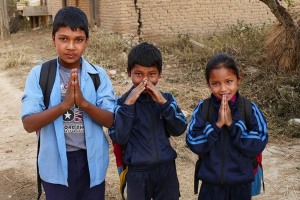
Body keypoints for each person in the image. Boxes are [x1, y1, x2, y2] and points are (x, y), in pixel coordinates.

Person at [21, 6, 115, 200]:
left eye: (78, 40)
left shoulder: (98, 76)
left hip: (92, 163)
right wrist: (63, 106)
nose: (71, 47)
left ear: (87, 42)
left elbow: (111, 120)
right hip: (54, 164)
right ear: (53, 39)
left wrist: (84, 103)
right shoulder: (40, 75)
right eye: (64, 39)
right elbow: (29, 123)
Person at [109, 42, 188, 200]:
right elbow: (118, 137)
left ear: (160, 74)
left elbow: (179, 128)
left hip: (166, 170)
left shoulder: (166, 99)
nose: (145, 81)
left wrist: (163, 103)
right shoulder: (121, 103)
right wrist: (128, 106)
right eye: (139, 74)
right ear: (129, 72)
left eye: (151, 74)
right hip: (137, 172)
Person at [186, 53, 268, 200]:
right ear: (209, 84)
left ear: (238, 80)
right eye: (216, 83)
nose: (223, 89)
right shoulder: (203, 108)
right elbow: (193, 141)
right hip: (210, 184)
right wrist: (216, 125)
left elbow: (259, 142)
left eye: (229, 81)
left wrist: (232, 125)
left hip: (241, 184)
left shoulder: (249, 108)